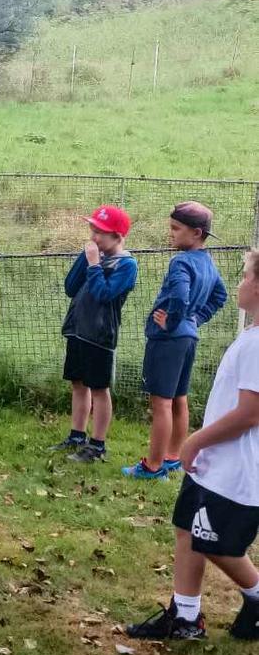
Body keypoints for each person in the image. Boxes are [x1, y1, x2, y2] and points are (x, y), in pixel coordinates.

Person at [126, 248, 259, 641]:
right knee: (187, 528)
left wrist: (193, 442)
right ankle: (185, 617)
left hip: (236, 471)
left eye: (247, 276)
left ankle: (257, 594)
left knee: (218, 544)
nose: (241, 283)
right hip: (214, 464)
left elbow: (250, 413)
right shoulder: (251, 334)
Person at [123, 201, 228, 480]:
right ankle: (173, 457)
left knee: (161, 403)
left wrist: (172, 321)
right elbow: (221, 296)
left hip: (168, 339)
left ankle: (153, 466)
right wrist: (195, 319)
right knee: (179, 398)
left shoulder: (181, 261)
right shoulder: (207, 261)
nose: (170, 233)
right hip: (188, 339)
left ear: (196, 233)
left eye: (175, 228)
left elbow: (180, 296)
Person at [52, 205, 138, 463]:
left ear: (118, 237)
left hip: (99, 335)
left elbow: (104, 294)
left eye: (101, 232)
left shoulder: (127, 265)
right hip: (78, 329)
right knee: (78, 383)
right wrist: (86, 258)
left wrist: (93, 264)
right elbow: (70, 287)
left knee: (99, 389)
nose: (94, 236)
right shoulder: (93, 254)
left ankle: (98, 445)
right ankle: (77, 435)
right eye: (93, 229)